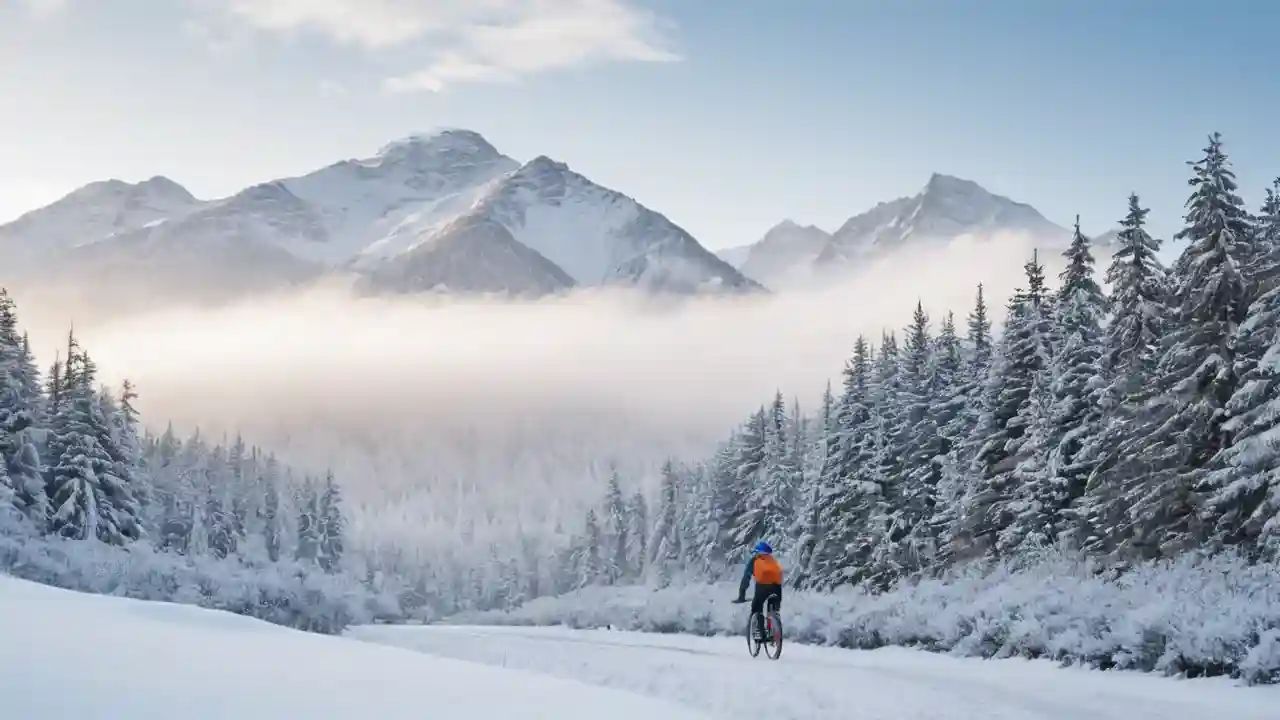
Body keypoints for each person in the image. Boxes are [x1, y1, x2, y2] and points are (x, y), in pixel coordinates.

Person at [733, 540, 782, 641]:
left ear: (757, 552)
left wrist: (741, 595)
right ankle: (772, 630)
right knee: (772, 609)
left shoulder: (755, 560)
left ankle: (759, 633)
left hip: (762, 588)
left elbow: (746, 578)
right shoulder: (772, 560)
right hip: (777, 588)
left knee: (756, 608)